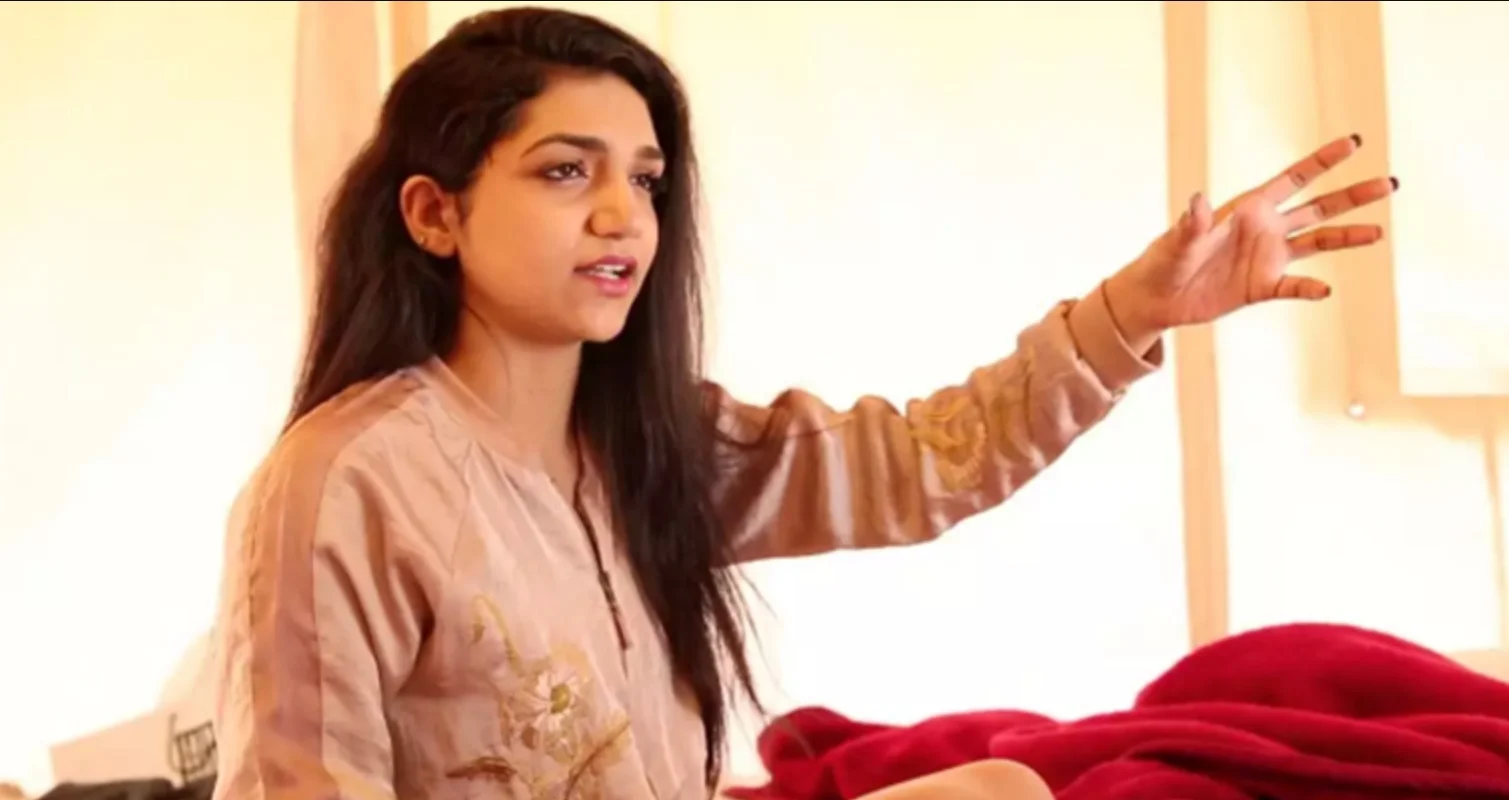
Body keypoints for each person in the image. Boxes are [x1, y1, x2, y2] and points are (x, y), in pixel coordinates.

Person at [208, 6, 1398, 800]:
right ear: (435, 213)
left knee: (1001, 785)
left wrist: (1137, 309)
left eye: (646, 180)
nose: (623, 215)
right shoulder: (348, 479)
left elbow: (922, 462)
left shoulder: (655, 439)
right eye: (566, 170)